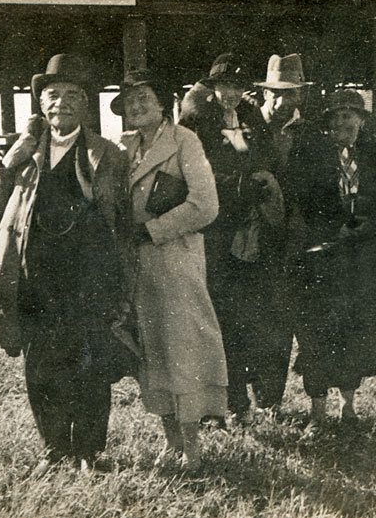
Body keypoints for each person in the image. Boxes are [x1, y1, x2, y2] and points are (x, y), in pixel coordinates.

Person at [0, 53, 134, 474]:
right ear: (41, 104)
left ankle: (88, 451)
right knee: (41, 365)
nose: (61, 103)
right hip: (34, 276)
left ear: (86, 105)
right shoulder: (25, 152)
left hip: (88, 275)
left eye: (71, 95)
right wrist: (11, 161)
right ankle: (54, 449)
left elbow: (122, 219)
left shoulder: (108, 154)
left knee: (89, 362)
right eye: (52, 95)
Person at [111, 69, 227, 471]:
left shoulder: (184, 141)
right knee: (152, 350)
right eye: (130, 100)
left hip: (175, 259)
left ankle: (192, 448)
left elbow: (206, 205)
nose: (137, 105)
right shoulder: (123, 149)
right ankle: (171, 442)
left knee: (184, 348)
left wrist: (152, 230)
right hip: (137, 266)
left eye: (145, 96)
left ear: (164, 104)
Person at [179, 53, 287, 421]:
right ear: (212, 88)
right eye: (225, 86)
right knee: (220, 316)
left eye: (237, 87)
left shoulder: (252, 117)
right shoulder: (196, 120)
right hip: (216, 231)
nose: (231, 94)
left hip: (252, 229)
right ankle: (228, 403)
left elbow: (267, 157)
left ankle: (259, 400)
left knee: (253, 314)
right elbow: (191, 173)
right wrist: (237, 186)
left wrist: (260, 180)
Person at [286, 89, 376, 426]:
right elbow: (302, 202)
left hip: (361, 260)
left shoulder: (373, 158)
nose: (342, 122)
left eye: (349, 116)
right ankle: (317, 413)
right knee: (318, 334)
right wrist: (334, 229)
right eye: (335, 117)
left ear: (361, 120)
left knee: (354, 332)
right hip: (321, 259)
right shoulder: (311, 156)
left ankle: (348, 407)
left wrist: (365, 228)